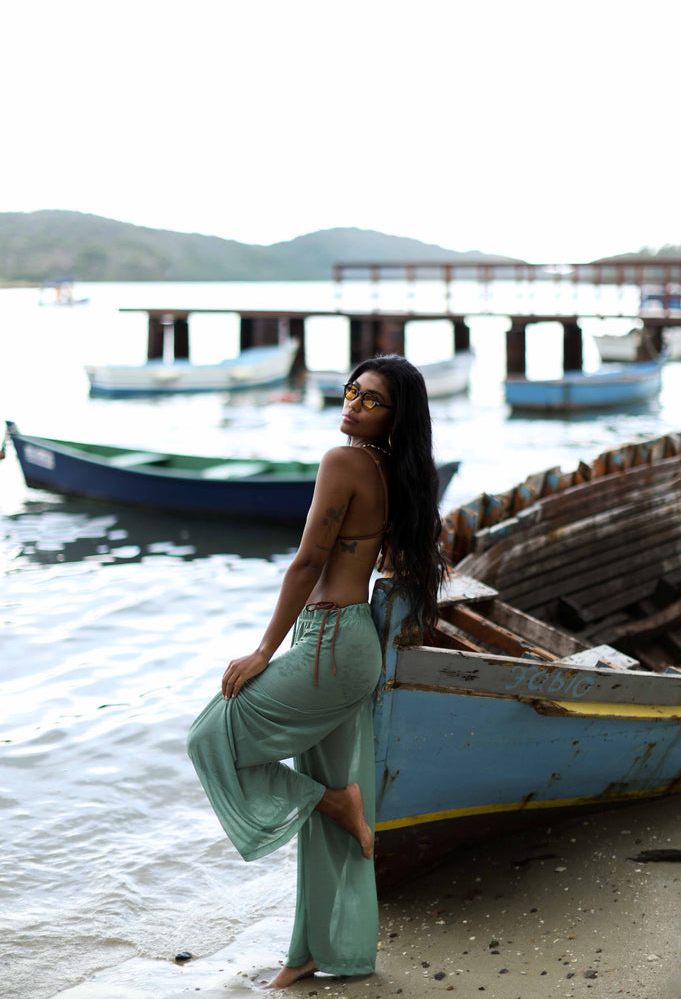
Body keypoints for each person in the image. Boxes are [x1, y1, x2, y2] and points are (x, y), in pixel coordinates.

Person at [186, 353, 447, 988]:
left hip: (328, 645)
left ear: (395, 417)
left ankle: (335, 802)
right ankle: (317, 950)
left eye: (372, 399)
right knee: (329, 822)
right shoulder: (391, 469)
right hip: (349, 642)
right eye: (352, 389)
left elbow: (308, 563)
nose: (353, 402)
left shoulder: (345, 461)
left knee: (210, 737)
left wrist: (263, 652)